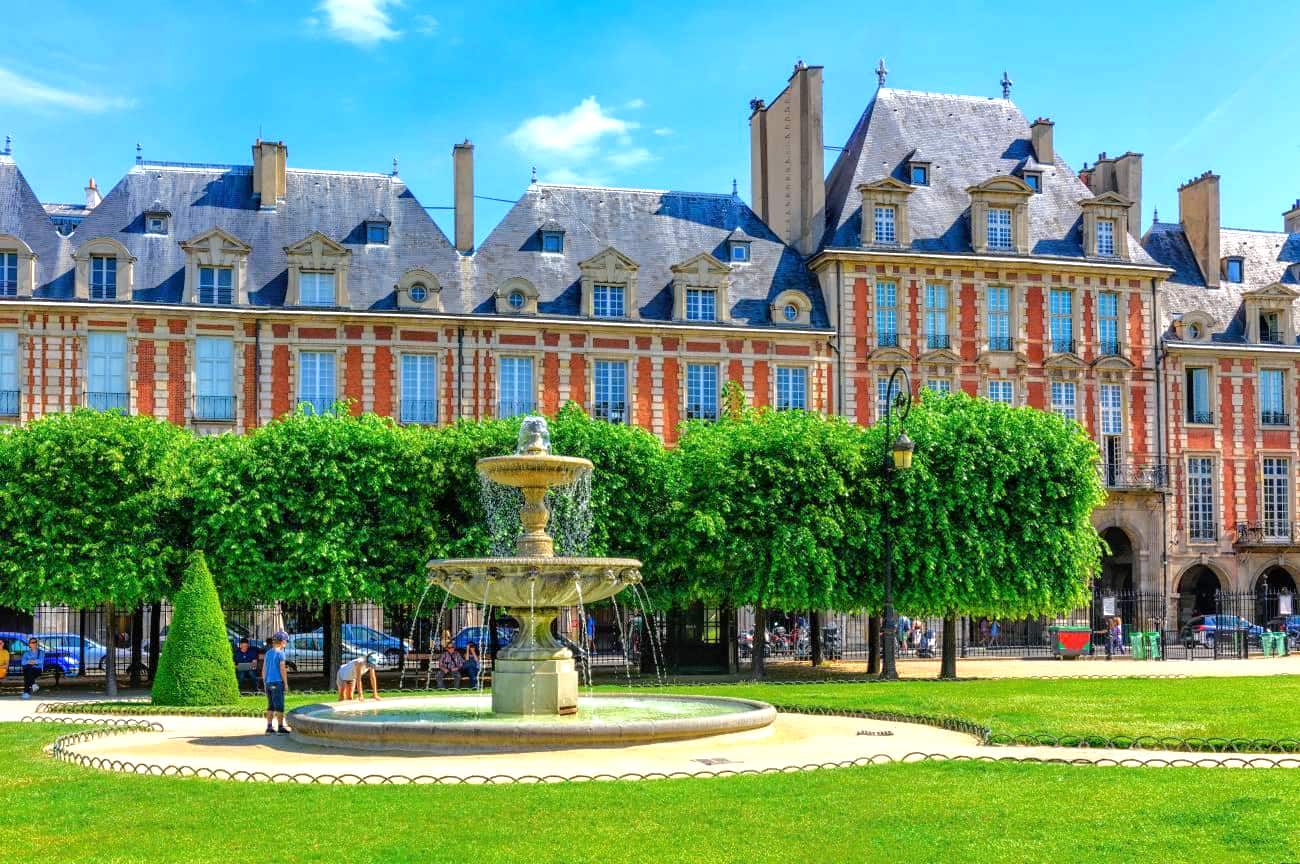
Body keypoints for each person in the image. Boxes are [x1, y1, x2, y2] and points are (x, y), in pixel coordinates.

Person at [262, 631, 290, 734]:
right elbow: (282, 669)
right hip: (277, 682)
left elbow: (264, 669)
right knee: (279, 705)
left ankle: (269, 727)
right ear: (282, 642)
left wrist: (264, 681)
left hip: (268, 682)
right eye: (286, 641)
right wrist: (286, 683)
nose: (286, 643)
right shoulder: (281, 653)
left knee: (270, 705)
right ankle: (280, 727)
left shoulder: (268, 653)